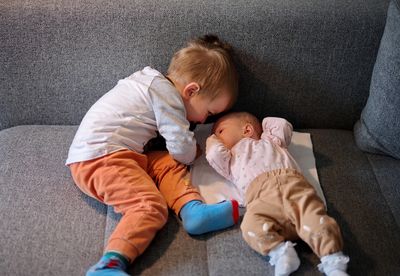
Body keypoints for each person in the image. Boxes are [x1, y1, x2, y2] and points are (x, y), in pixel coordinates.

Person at [66, 34, 240, 276]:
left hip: (120, 154)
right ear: (191, 91)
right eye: (209, 112)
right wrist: (196, 150)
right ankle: (109, 264)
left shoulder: (151, 81)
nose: (202, 121)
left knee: (166, 162)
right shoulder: (167, 97)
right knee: (149, 206)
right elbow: (182, 148)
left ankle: (192, 210)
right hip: (99, 158)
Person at [205, 112, 350, 276]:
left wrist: (263, 123)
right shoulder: (229, 161)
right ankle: (280, 252)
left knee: (314, 216)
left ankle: (333, 261)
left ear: (247, 130)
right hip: (260, 198)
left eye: (220, 132)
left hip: (292, 185)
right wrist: (212, 140)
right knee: (249, 226)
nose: (215, 137)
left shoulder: (271, 141)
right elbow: (213, 154)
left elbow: (282, 125)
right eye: (214, 136)